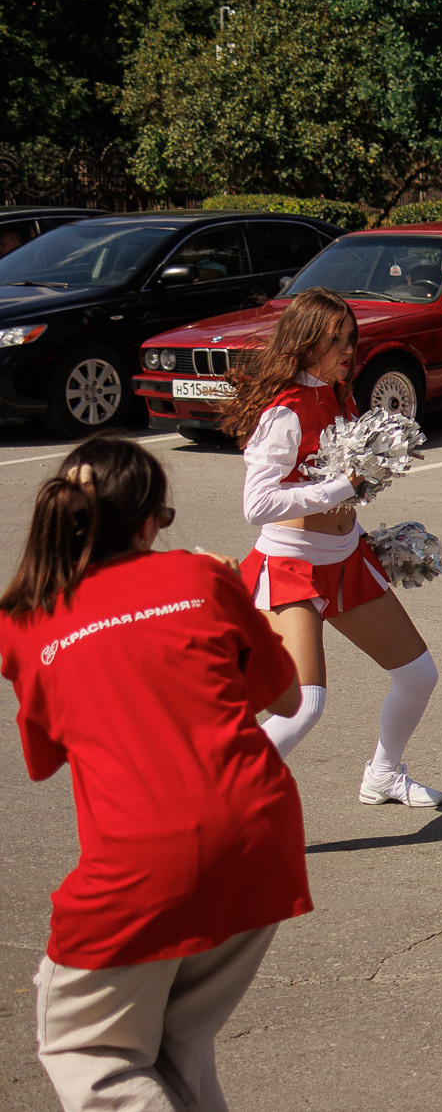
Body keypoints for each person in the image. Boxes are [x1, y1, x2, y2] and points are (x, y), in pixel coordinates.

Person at [3, 438, 314, 1111]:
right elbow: (286, 696)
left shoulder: (26, 618)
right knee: (176, 1049)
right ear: (148, 521)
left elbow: (45, 754)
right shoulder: (201, 577)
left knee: (89, 1052)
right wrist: (236, 592)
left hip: (144, 859)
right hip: (259, 834)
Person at [219, 290, 442, 806]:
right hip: (291, 568)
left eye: (350, 338)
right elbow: (257, 504)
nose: (347, 349)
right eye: (334, 340)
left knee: (418, 676)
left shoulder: (337, 394)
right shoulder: (284, 413)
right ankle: (218, 798)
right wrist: (344, 485)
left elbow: (339, 479)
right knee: (303, 706)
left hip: (345, 563)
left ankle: (383, 776)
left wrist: (362, 531)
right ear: (304, 342)